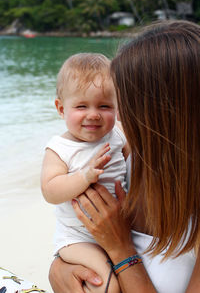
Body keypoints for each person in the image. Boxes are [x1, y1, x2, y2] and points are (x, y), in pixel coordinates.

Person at [48, 20, 200, 293]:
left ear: (163, 115)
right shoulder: (124, 156)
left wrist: (121, 250)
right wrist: (60, 268)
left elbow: (115, 248)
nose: (114, 118)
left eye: (122, 103)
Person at [41, 53, 129, 293]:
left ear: (117, 108)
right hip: (77, 239)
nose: (94, 114)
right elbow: (50, 190)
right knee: (108, 288)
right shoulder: (59, 149)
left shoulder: (118, 135)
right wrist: (84, 176)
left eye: (104, 106)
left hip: (119, 230)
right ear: (61, 108)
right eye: (81, 106)